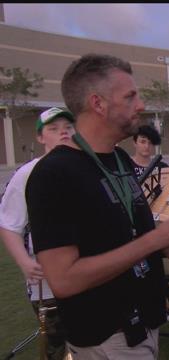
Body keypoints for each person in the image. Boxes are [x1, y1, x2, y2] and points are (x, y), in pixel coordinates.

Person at [25, 54, 169, 358]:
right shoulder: (54, 174)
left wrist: (162, 243)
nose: (140, 105)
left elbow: (121, 231)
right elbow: (63, 279)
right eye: (130, 96)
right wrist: (152, 241)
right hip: (108, 338)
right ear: (98, 103)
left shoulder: (119, 160)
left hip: (145, 324)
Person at [0, 107, 75, 360]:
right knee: (57, 347)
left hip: (88, 273)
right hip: (47, 282)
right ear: (41, 138)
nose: (63, 133)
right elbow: (9, 225)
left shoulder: (86, 167)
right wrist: (24, 262)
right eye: (53, 129)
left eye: (68, 127)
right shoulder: (26, 175)